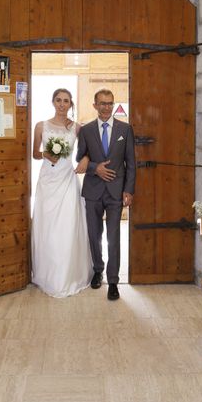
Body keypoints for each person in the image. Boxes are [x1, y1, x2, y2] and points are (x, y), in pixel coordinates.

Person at [31, 89, 93, 297]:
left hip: (67, 179)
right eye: (58, 100)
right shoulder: (41, 126)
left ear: (70, 104)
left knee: (67, 225)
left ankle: (69, 274)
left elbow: (88, 150)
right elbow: (34, 153)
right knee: (48, 227)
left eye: (66, 101)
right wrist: (46, 154)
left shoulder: (76, 128)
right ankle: (48, 274)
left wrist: (85, 159)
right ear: (52, 102)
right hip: (48, 181)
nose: (62, 104)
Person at [76, 89, 136, 300]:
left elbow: (131, 163)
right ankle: (98, 270)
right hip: (92, 190)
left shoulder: (125, 129)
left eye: (110, 103)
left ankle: (113, 281)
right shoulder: (86, 130)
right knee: (94, 234)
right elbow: (79, 158)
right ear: (95, 105)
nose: (106, 107)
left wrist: (128, 189)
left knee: (114, 236)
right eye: (102, 103)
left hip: (115, 191)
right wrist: (95, 167)